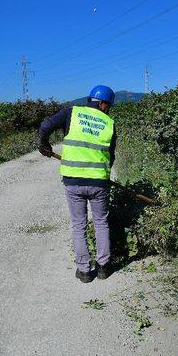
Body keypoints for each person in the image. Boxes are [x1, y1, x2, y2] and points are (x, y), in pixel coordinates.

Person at [38, 85, 117, 283]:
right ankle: (103, 268)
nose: (109, 109)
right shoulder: (109, 123)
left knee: (79, 225)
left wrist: (44, 143)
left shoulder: (71, 112)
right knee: (101, 223)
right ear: (102, 103)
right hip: (99, 182)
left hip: (73, 181)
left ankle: (84, 271)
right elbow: (111, 156)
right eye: (109, 106)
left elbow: (45, 126)